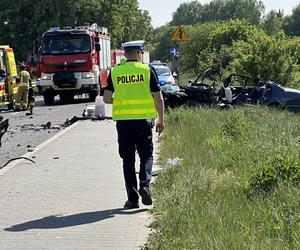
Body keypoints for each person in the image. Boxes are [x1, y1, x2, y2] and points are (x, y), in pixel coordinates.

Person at [103, 40, 165, 209]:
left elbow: (107, 99)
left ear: (125, 54)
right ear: (139, 53)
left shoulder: (115, 72)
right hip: (143, 122)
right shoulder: (147, 70)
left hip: (123, 124)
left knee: (128, 160)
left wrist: (122, 100)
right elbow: (158, 97)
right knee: (146, 155)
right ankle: (144, 185)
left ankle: (132, 199)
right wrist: (161, 119)